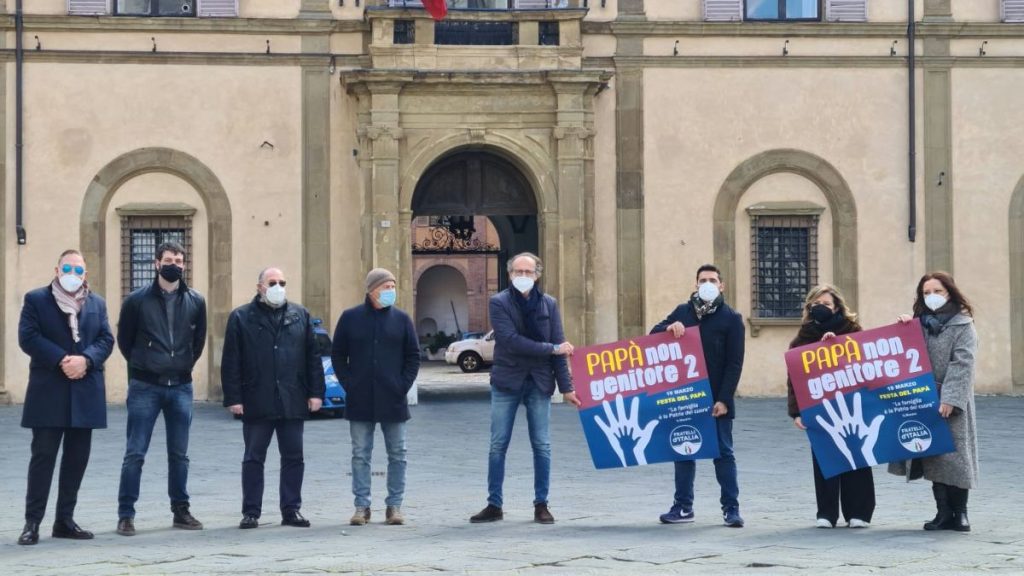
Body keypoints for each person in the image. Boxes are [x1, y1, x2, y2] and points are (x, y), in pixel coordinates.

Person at [470, 252, 580, 525]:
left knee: (542, 445)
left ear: (537, 275)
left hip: (539, 382)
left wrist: (567, 388)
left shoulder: (549, 305)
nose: (522, 277)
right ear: (510, 275)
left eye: (527, 272)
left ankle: (541, 504)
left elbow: (559, 343)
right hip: (507, 381)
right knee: (498, 444)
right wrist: (551, 348)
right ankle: (494, 504)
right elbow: (510, 340)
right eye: (517, 272)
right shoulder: (499, 302)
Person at [16, 250, 114, 545]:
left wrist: (86, 360)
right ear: (57, 268)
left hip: (85, 392)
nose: (73, 273)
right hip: (49, 391)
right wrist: (62, 359)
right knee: (43, 458)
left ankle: (64, 520)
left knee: (76, 460)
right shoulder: (36, 299)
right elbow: (28, 336)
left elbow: (106, 339)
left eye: (79, 269)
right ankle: (32, 523)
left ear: (86, 273)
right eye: (68, 267)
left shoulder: (97, 303)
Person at [221, 267, 325, 529]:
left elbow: (312, 357)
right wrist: (234, 397)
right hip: (257, 397)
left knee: (294, 457)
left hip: (292, 397)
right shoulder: (241, 317)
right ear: (260, 287)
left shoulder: (299, 315)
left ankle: (291, 509)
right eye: (272, 282)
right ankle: (251, 512)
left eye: (282, 282)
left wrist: (316, 393)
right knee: (254, 457)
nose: (278, 286)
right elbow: (231, 360)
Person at [115, 241, 207, 536]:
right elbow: (125, 341)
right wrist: (145, 365)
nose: (175, 265)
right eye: (169, 259)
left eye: (179, 261)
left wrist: (181, 365)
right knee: (135, 453)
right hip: (145, 386)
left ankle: (181, 510)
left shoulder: (196, 300)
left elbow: (198, 341)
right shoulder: (136, 300)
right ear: (156, 263)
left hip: (181, 386)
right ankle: (126, 514)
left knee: (180, 455)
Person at [650, 264, 745, 527]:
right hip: (686, 397)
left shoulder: (731, 318)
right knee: (683, 451)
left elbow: (734, 363)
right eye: (703, 280)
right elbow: (652, 335)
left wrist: (724, 399)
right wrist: (670, 328)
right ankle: (682, 506)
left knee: (723, 453)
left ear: (721, 285)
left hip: (717, 399)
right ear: (695, 284)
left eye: (713, 280)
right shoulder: (683, 311)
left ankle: (731, 509)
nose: (707, 284)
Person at [890, 271, 978, 532]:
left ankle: (960, 513)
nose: (932, 297)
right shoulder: (920, 323)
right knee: (934, 457)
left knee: (957, 458)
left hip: (953, 401)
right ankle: (943, 513)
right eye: (926, 292)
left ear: (949, 292)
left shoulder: (963, 325)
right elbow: (903, 353)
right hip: (924, 399)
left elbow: (963, 363)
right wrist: (905, 326)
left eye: (937, 291)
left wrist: (951, 398)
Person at [331, 268, 420, 526]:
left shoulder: (402, 320)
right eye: (386, 286)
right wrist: (349, 384)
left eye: (393, 286)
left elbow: (413, 356)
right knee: (360, 454)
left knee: (398, 453)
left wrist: (402, 385)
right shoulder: (350, 318)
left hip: (393, 398)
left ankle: (394, 506)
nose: (391, 291)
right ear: (372, 290)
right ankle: (362, 507)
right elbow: (338, 355)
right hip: (360, 397)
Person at [786, 284, 875, 529]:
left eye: (826, 304)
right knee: (825, 458)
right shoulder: (801, 339)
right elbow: (794, 378)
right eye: (816, 304)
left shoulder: (853, 331)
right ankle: (826, 512)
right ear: (809, 307)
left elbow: (866, 362)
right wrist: (796, 411)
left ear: (837, 307)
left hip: (852, 406)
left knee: (856, 454)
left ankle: (859, 512)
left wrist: (837, 346)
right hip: (820, 409)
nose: (821, 307)